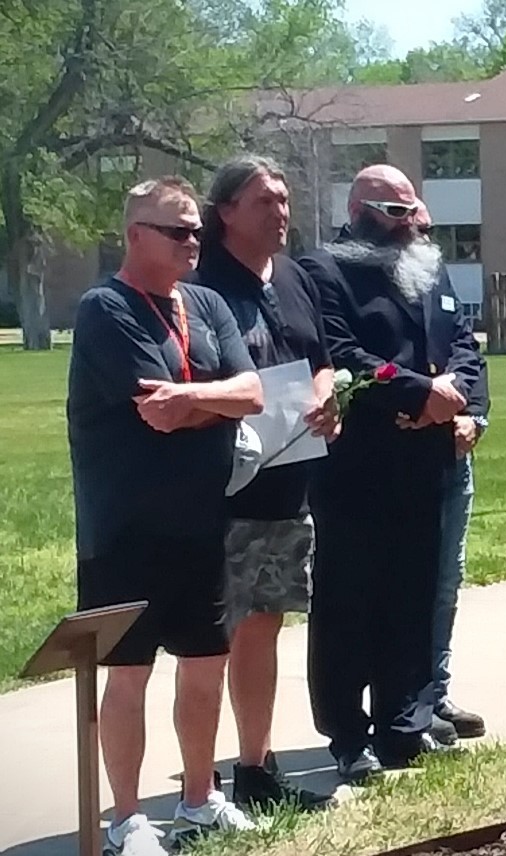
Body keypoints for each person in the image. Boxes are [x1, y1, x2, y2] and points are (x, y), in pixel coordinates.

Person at [69, 177, 264, 855]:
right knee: (128, 675)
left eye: (196, 230)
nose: (193, 241)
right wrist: (212, 400)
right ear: (135, 235)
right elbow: (156, 410)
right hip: (124, 531)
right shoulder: (106, 308)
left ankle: (199, 800)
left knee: (205, 665)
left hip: (203, 524)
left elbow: (253, 391)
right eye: (177, 231)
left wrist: (196, 399)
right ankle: (126, 820)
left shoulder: (207, 302)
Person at [299, 164, 485, 781]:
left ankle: (404, 726)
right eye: (396, 212)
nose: (410, 223)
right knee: (350, 603)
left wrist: (455, 402)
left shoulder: (428, 268)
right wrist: (417, 393)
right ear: (359, 211)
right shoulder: (324, 272)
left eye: (412, 211)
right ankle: (347, 735)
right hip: (357, 466)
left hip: (425, 459)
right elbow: (342, 354)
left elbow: (464, 346)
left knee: (413, 597)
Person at [189, 156, 337, 813]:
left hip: (289, 483)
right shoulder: (202, 288)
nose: (281, 211)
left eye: (283, 199)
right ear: (225, 213)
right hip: (225, 488)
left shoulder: (295, 277)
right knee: (216, 634)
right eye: (263, 202)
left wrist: (327, 397)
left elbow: (321, 359)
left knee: (266, 624)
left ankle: (256, 768)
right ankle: (201, 787)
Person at [434, 337, 490, 739]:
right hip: (402, 454)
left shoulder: (442, 300)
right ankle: (404, 705)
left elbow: (469, 356)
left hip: (455, 460)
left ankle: (435, 694)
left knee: (445, 583)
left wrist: (475, 418)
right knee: (405, 586)